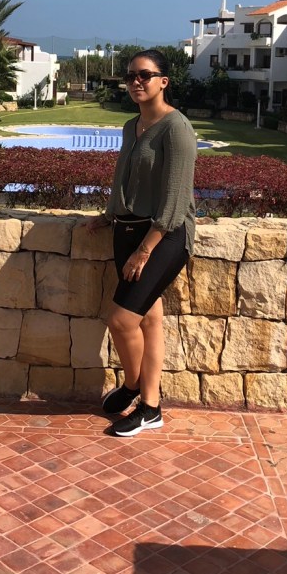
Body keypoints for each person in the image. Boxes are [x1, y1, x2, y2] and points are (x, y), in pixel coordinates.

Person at [87, 49, 197, 436]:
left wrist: (145, 250)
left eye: (145, 75)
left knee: (121, 320)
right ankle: (151, 407)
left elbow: (175, 201)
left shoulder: (176, 128)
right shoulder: (130, 126)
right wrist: (108, 216)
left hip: (163, 235)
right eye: (131, 75)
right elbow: (124, 177)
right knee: (149, 319)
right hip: (127, 228)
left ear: (163, 81)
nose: (136, 81)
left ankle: (133, 387)